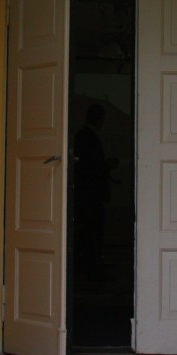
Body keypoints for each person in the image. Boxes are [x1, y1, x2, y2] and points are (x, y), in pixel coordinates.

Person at [72, 104, 111, 279]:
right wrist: (106, 166)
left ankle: (88, 270)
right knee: (92, 233)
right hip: (90, 195)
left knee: (87, 233)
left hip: (86, 194)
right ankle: (92, 271)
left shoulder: (82, 136)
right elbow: (91, 167)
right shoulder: (89, 138)